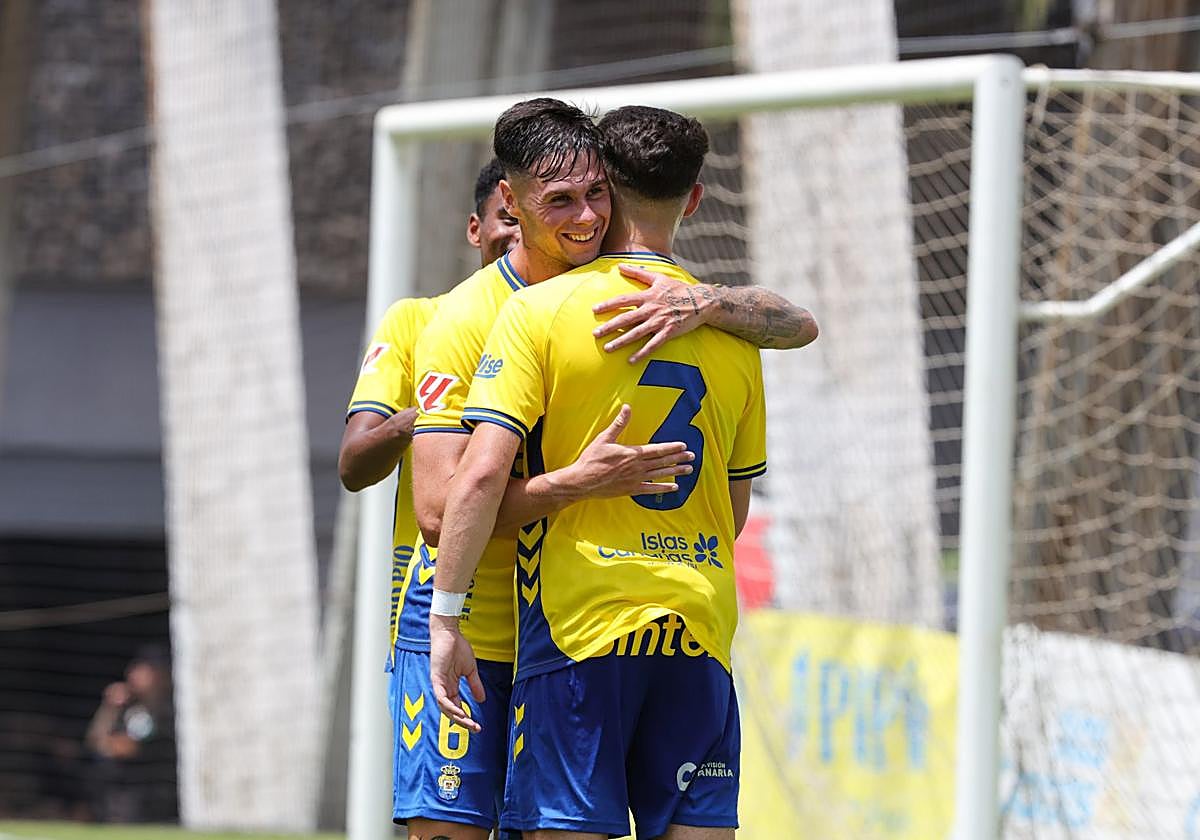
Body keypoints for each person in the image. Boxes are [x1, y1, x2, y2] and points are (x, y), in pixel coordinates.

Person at [429, 105, 817, 839]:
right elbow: (732, 515)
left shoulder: (540, 312)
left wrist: (445, 616)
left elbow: (477, 481)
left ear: (601, 185)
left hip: (583, 630)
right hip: (696, 628)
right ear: (696, 197)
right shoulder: (734, 339)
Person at [84, 646, 177, 823]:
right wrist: (110, 707)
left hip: (148, 802)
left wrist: (106, 744)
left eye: (143, 670)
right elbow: (93, 740)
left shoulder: (163, 712)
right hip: (117, 799)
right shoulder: (131, 709)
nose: (134, 675)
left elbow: (125, 748)